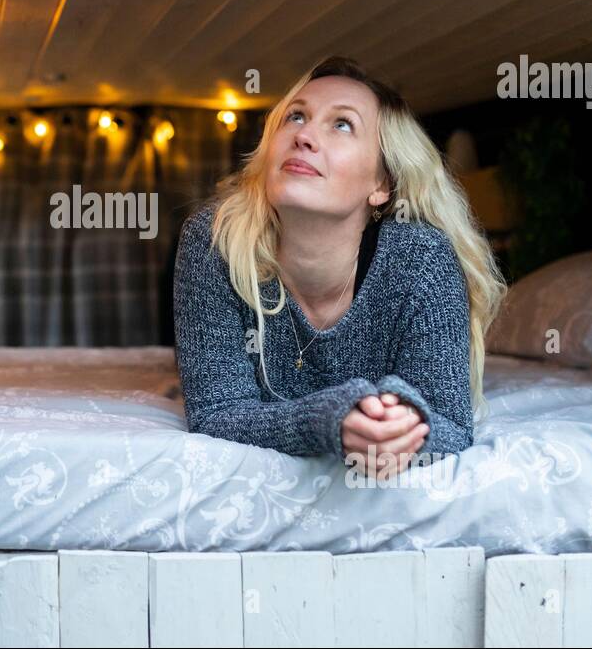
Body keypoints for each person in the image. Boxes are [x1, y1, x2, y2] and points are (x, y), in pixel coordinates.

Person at [172, 56, 507, 479]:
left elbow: (451, 427)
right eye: (295, 117)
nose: (305, 135)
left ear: (380, 185)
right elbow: (216, 412)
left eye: (342, 124)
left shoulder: (421, 259)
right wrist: (331, 420)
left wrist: (401, 426)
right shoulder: (215, 239)